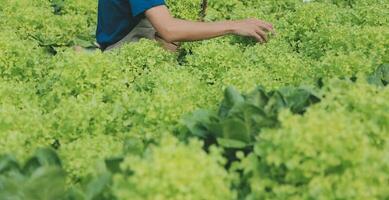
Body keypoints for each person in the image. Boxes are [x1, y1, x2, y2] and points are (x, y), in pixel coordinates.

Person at [96, 0, 276, 52]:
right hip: (121, 48)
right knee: (171, 43)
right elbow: (169, 30)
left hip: (142, 29)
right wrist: (233, 25)